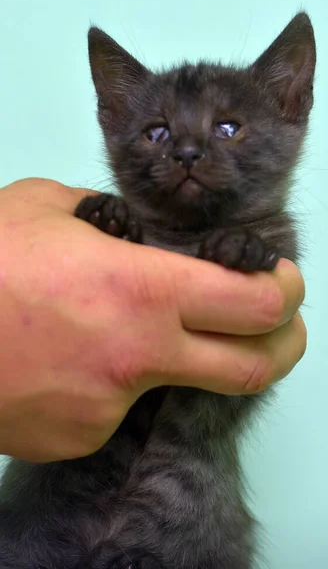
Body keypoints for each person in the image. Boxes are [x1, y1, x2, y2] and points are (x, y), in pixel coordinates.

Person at [0, 178, 306, 464]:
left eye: (227, 129)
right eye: (156, 133)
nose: (187, 150)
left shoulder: (270, 235)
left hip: (187, 497)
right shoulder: (102, 233)